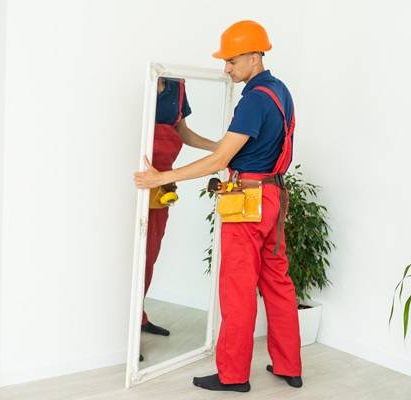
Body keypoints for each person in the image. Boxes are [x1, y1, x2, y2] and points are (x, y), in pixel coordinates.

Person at [134, 20, 303, 392]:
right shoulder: (280, 91)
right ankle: (290, 366)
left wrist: (161, 178)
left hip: (246, 200)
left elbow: (219, 161)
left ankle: (233, 375)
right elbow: (239, 148)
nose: (226, 68)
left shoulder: (253, 100)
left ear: (255, 57)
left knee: (238, 290)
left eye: (232, 60)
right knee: (278, 282)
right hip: (274, 197)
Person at [142, 77, 217, 338]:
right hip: (135, 178)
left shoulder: (178, 86)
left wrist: (216, 148)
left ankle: (137, 317)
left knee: (149, 253)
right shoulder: (139, 78)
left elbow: (182, 131)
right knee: (128, 255)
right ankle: (121, 327)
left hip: (163, 181)